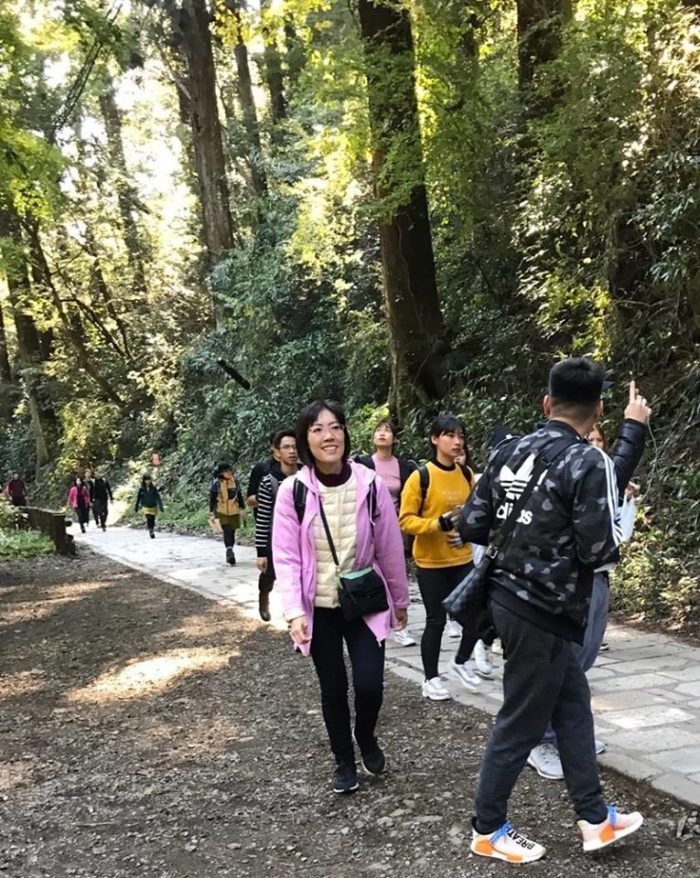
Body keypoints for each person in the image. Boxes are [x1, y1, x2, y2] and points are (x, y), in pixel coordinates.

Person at [457, 359, 650, 862]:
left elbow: (472, 523)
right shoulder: (589, 462)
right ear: (599, 408)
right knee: (520, 721)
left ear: (547, 403)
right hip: (542, 610)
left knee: (572, 707)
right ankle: (487, 829)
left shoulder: (507, 451)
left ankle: (595, 818)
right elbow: (598, 550)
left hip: (508, 600)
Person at [272, 400, 410, 794]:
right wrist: (293, 611)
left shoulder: (369, 485)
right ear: (305, 440)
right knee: (333, 688)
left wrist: (400, 600)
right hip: (319, 607)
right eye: (317, 429)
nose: (328, 436)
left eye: (334, 427)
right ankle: (344, 760)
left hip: (364, 600)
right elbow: (286, 557)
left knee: (370, 685)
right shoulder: (293, 492)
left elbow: (389, 547)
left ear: (345, 433)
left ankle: (365, 736)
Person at [528, 421, 638, 780]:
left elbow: (618, 531)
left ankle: (570, 734)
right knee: (561, 664)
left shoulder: (606, 483)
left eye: (598, 440)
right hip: (570, 581)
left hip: (599, 578)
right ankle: (542, 740)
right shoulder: (567, 478)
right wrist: (635, 428)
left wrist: (624, 498)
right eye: (587, 439)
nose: (594, 445)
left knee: (582, 661)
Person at [398, 415, 482, 700]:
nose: (457, 442)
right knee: (436, 621)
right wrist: (436, 524)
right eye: (450, 435)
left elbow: (473, 512)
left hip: (462, 559)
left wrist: (467, 532)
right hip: (431, 563)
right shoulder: (420, 477)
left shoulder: (466, 474)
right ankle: (431, 678)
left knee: (478, 615)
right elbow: (405, 520)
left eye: (461, 436)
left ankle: (460, 661)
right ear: (435, 439)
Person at [355, 419, 418, 647]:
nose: (382, 434)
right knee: (372, 573)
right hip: (369, 526)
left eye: (387, 430)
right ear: (373, 437)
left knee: (396, 572)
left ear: (394, 438)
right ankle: (375, 619)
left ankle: (400, 624)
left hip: (396, 527)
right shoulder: (362, 465)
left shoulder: (405, 467)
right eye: (378, 430)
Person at [255, 430, 299, 622]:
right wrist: (261, 552)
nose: (292, 451)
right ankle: (264, 596)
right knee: (270, 573)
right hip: (277, 539)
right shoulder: (268, 482)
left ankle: (297, 614)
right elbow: (263, 518)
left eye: (295, 447)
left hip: (303, 537)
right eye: (287, 447)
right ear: (277, 453)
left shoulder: (309, 476)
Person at [209, 463, 244, 565]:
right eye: (226, 471)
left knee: (232, 531)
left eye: (230, 471)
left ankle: (230, 550)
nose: (229, 473)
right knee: (227, 530)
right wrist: (212, 512)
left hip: (234, 510)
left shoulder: (235, 482)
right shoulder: (216, 484)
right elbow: (212, 499)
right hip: (221, 511)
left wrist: (242, 508)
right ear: (221, 473)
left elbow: (239, 496)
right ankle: (229, 552)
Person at [246, 431, 276, 511]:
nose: (291, 450)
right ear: (271, 447)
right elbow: (249, 501)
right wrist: (264, 496)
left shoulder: (301, 470)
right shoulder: (261, 468)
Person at [135, 474, 163, 538]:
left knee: (152, 519)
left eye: (149, 480)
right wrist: (136, 506)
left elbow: (157, 497)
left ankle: (152, 529)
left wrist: (160, 505)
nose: (148, 481)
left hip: (153, 506)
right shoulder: (141, 489)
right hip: (145, 506)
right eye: (146, 480)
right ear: (144, 481)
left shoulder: (153, 488)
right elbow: (138, 498)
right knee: (148, 518)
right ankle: (150, 530)